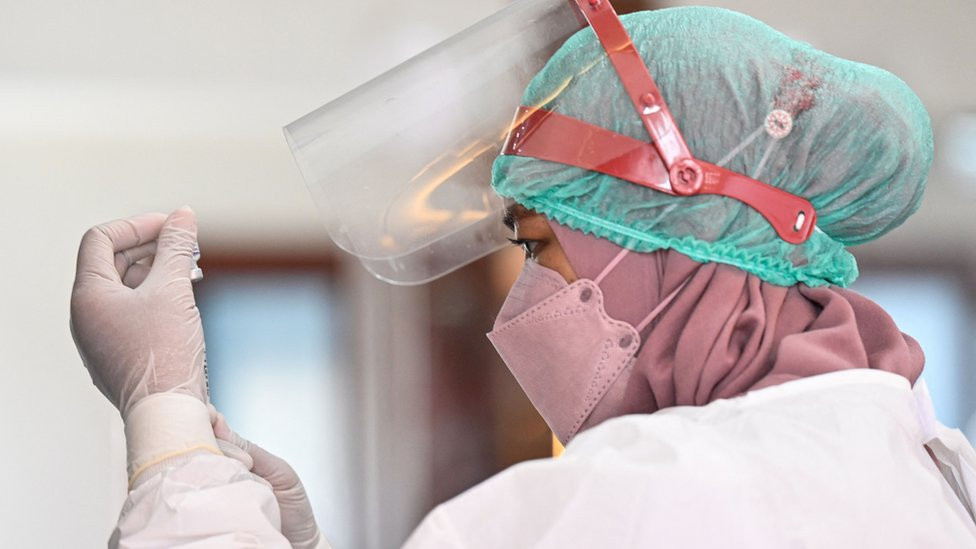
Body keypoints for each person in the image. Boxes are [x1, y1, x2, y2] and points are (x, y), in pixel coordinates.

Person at [70, 6, 976, 548]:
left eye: (540, 244)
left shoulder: (631, 499)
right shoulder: (933, 471)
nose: (524, 297)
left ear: (671, 241)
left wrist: (167, 420)